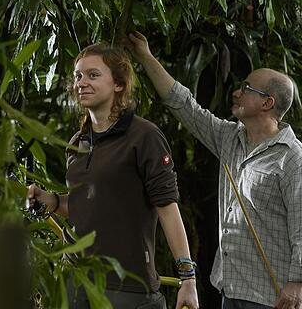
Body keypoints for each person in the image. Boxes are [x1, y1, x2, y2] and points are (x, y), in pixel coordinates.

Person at [125, 31, 302, 309]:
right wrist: (145, 56)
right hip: (228, 287)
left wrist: (298, 283)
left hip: (272, 297)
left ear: (268, 103)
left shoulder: (292, 157)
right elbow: (184, 105)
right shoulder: (230, 138)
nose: (236, 92)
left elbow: (301, 225)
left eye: (246, 88)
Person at [28, 43, 199, 309]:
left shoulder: (144, 136)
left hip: (127, 286)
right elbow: (85, 205)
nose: (81, 82)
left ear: (118, 84)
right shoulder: (78, 141)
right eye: (78, 76)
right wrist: (50, 200)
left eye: (93, 75)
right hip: (76, 278)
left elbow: (167, 207)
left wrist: (188, 278)